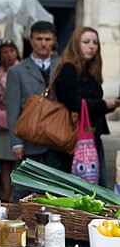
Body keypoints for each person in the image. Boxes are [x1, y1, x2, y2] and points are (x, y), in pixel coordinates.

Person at [49, 27, 120, 186]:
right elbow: (72, 102)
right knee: (83, 186)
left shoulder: (89, 69)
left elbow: (89, 102)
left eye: (95, 42)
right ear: (76, 44)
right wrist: (103, 104)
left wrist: (110, 105)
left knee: (96, 185)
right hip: (73, 136)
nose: (91, 46)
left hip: (91, 135)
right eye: (86, 42)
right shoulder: (68, 67)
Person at [6, 21, 59, 165]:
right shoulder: (17, 71)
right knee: (26, 187)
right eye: (39, 39)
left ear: (53, 41)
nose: (43, 43)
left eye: (47, 39)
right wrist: (16, 143)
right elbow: (12, 110)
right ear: (31, 40)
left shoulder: (62, 66)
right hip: (29, 142)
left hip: (57, 140)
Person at [0, 40, 21, 201]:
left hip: (16, 123)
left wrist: (1, 79)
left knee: (16, 161)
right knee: (3, 161)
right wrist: (1, 96)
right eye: (5, 52)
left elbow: (14, 89)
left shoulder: (21, 69)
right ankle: (5, 193)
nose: (8, 55)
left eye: (11, 51)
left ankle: (15, 193)